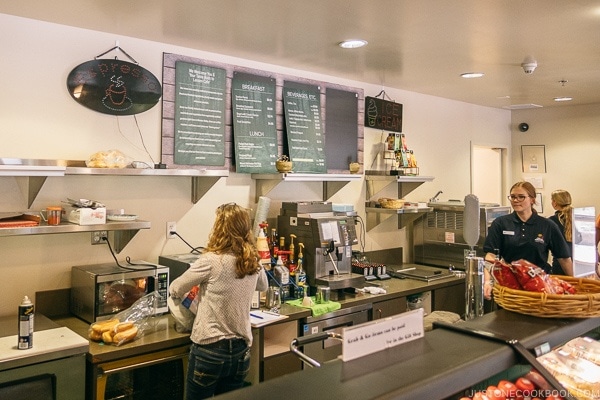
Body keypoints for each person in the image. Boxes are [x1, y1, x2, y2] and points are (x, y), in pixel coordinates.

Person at [169, 202, 268, 399]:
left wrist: (197, 294)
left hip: (210, 349)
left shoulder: (211, 260)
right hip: (241, 350)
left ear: (219, 229)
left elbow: (175, 288)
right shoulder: (252, 260)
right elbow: (263, 286)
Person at [482, 181, 573, 299]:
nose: (516, 200)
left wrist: (576, 284)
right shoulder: (501, 223)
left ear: (532, 200)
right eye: (513, 197)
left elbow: (564, 259)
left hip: (539, 286)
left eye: (521, 197)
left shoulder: (547, 225)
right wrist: (487, 282)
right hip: (510, 286)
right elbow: (491, 256)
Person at [548, 189, 578, 275]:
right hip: (581, 266)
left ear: (554, 203)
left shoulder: (551, 222)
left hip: (560, 268)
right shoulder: (581, 217)